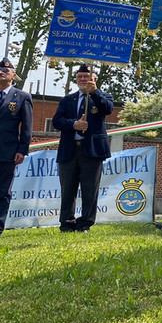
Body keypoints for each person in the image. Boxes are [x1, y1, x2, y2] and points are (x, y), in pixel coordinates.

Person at [53, 64, 114, 233]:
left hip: (92, 152)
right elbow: (57, 121)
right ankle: (66, 222)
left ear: (94, 79)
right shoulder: (67, 100)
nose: (82, 79)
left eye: (86, 77)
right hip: (70, 150)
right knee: (67, 189)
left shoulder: (102, 97)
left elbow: (107, 109)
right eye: (79, 77)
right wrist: (74, 124)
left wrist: (94, 93)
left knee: (89, 190)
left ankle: (85, 223)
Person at [0, 58, 33, 238]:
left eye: (5, 70)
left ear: (13, 75)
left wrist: (22, 149)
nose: (0, 72)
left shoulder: (22, 97)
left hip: (8, 152)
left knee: (3, 193)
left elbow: (27, 127)